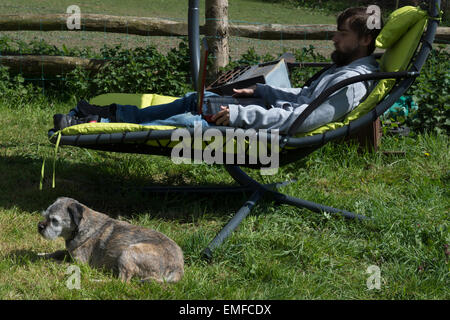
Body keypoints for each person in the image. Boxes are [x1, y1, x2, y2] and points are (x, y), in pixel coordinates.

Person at [53, 7, 383, 134]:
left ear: (365, 39)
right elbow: (305, 97)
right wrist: (262, 91)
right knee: (199, 98)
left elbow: (306, 120)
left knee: (187, 121)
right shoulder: (346, 68)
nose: (335, 38)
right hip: (266, 109)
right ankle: (109, 113)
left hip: (267, 129)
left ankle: (100, 125)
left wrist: (243, 115)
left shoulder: (353, 81)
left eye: (343, 34)